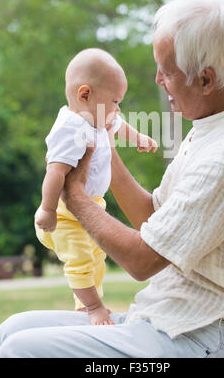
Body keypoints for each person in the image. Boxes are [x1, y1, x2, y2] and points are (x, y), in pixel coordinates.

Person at [0, 0, 224, 358]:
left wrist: (76, 195)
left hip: (207, 336)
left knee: (21, 350)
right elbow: (153, 217)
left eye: (168, 71)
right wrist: (96, 139)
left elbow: (141, 260)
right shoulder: (211, 127)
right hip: (170, 319)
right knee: (12, 329)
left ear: (206, 80)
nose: (158, 79)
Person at [34, 48, 157, 325]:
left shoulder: (98, 119)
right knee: (79, 260)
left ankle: (83, 305)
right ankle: (92, 307)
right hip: (65, 214)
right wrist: (48, 209)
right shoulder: (71, 128)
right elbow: (54, 173)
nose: (117, 109)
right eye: (115, 101)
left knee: (97, 257)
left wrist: (138, 138)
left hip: (93, 206)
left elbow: (120, 124)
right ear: (85, 95)